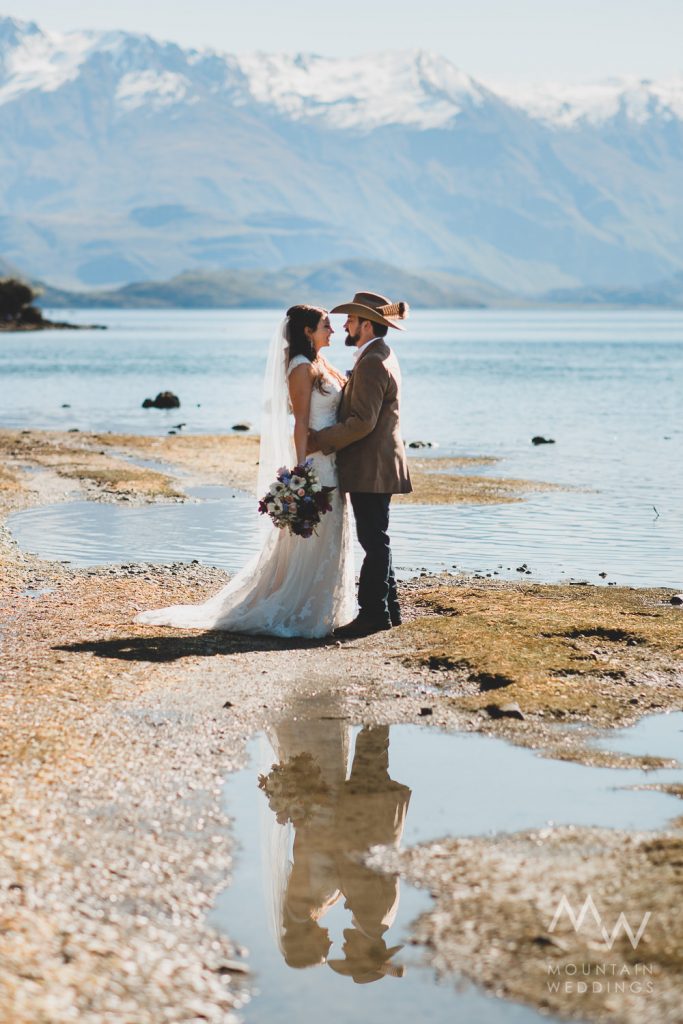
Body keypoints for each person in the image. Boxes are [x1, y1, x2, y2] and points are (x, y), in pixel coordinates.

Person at [134, 306, 355, 637]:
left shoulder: (321, 363)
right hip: (316, 464)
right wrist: (301, 472)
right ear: (308, 332)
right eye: (326, 325)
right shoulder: (300, 366)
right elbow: (299, 423)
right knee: (314, 534)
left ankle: (324, 605)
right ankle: (300, 608)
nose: (333, 330)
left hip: (332, 460)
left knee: (331, 530)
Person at [308, 292, 412, 639]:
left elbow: (362, 422)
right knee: (376, 537)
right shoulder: (379, 354)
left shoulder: (372, 362)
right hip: (377, 463)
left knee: (373, 540)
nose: (345, 326)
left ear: (367, 325)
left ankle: (373, 615)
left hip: (372, 465)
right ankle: (389, 610)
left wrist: (319, 440)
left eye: (351, 320)